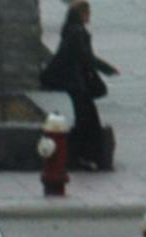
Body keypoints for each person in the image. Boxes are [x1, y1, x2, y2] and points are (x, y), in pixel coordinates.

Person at [41, 1, 118, 172]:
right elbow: (85, 57)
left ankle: (85, 155)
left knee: (85, 118)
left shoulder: (70, 30)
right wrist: (106, 68)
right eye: (87, 12)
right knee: (86, 119)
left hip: (75, 82)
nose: (89, 16)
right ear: (82, 14)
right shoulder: (77, 33)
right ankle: (84, 155)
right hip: (76, 83)